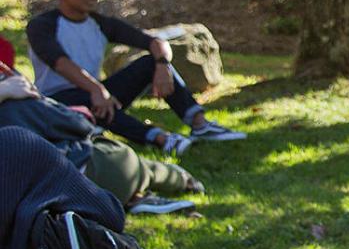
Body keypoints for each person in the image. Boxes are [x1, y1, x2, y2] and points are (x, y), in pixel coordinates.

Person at [25, 0, 246, 154]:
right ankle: (160, 138)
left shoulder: (100, 23)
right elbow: (61, 63)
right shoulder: (42, 26)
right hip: (57, 102)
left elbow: (156, 43)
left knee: (148, 64)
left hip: (96, 95)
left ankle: (200, 125)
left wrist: (161, 65)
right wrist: (96, 90)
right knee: (97, 104)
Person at [0, 61, 201, 214]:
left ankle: (138, 197)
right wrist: (40, 100)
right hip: (76, 182)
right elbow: (79, 126)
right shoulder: (20, 105)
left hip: (32, 200)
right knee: (129, 163)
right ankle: (180, 181)